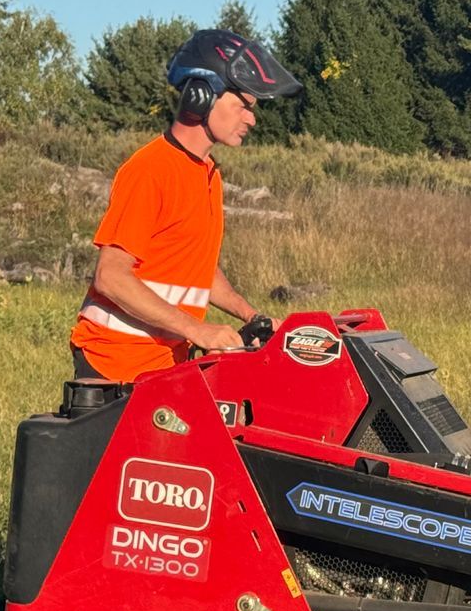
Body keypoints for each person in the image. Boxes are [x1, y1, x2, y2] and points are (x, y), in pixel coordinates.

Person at [69, 29, 302, 382]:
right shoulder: (151, 170)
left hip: (163, 364)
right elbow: (110, 275)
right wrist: (199, 330)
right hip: (114, 367)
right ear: (200, 97)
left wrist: (253, 317)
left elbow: (196, 267)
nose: (252, 119)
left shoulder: (206, 173)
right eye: (243, 105)